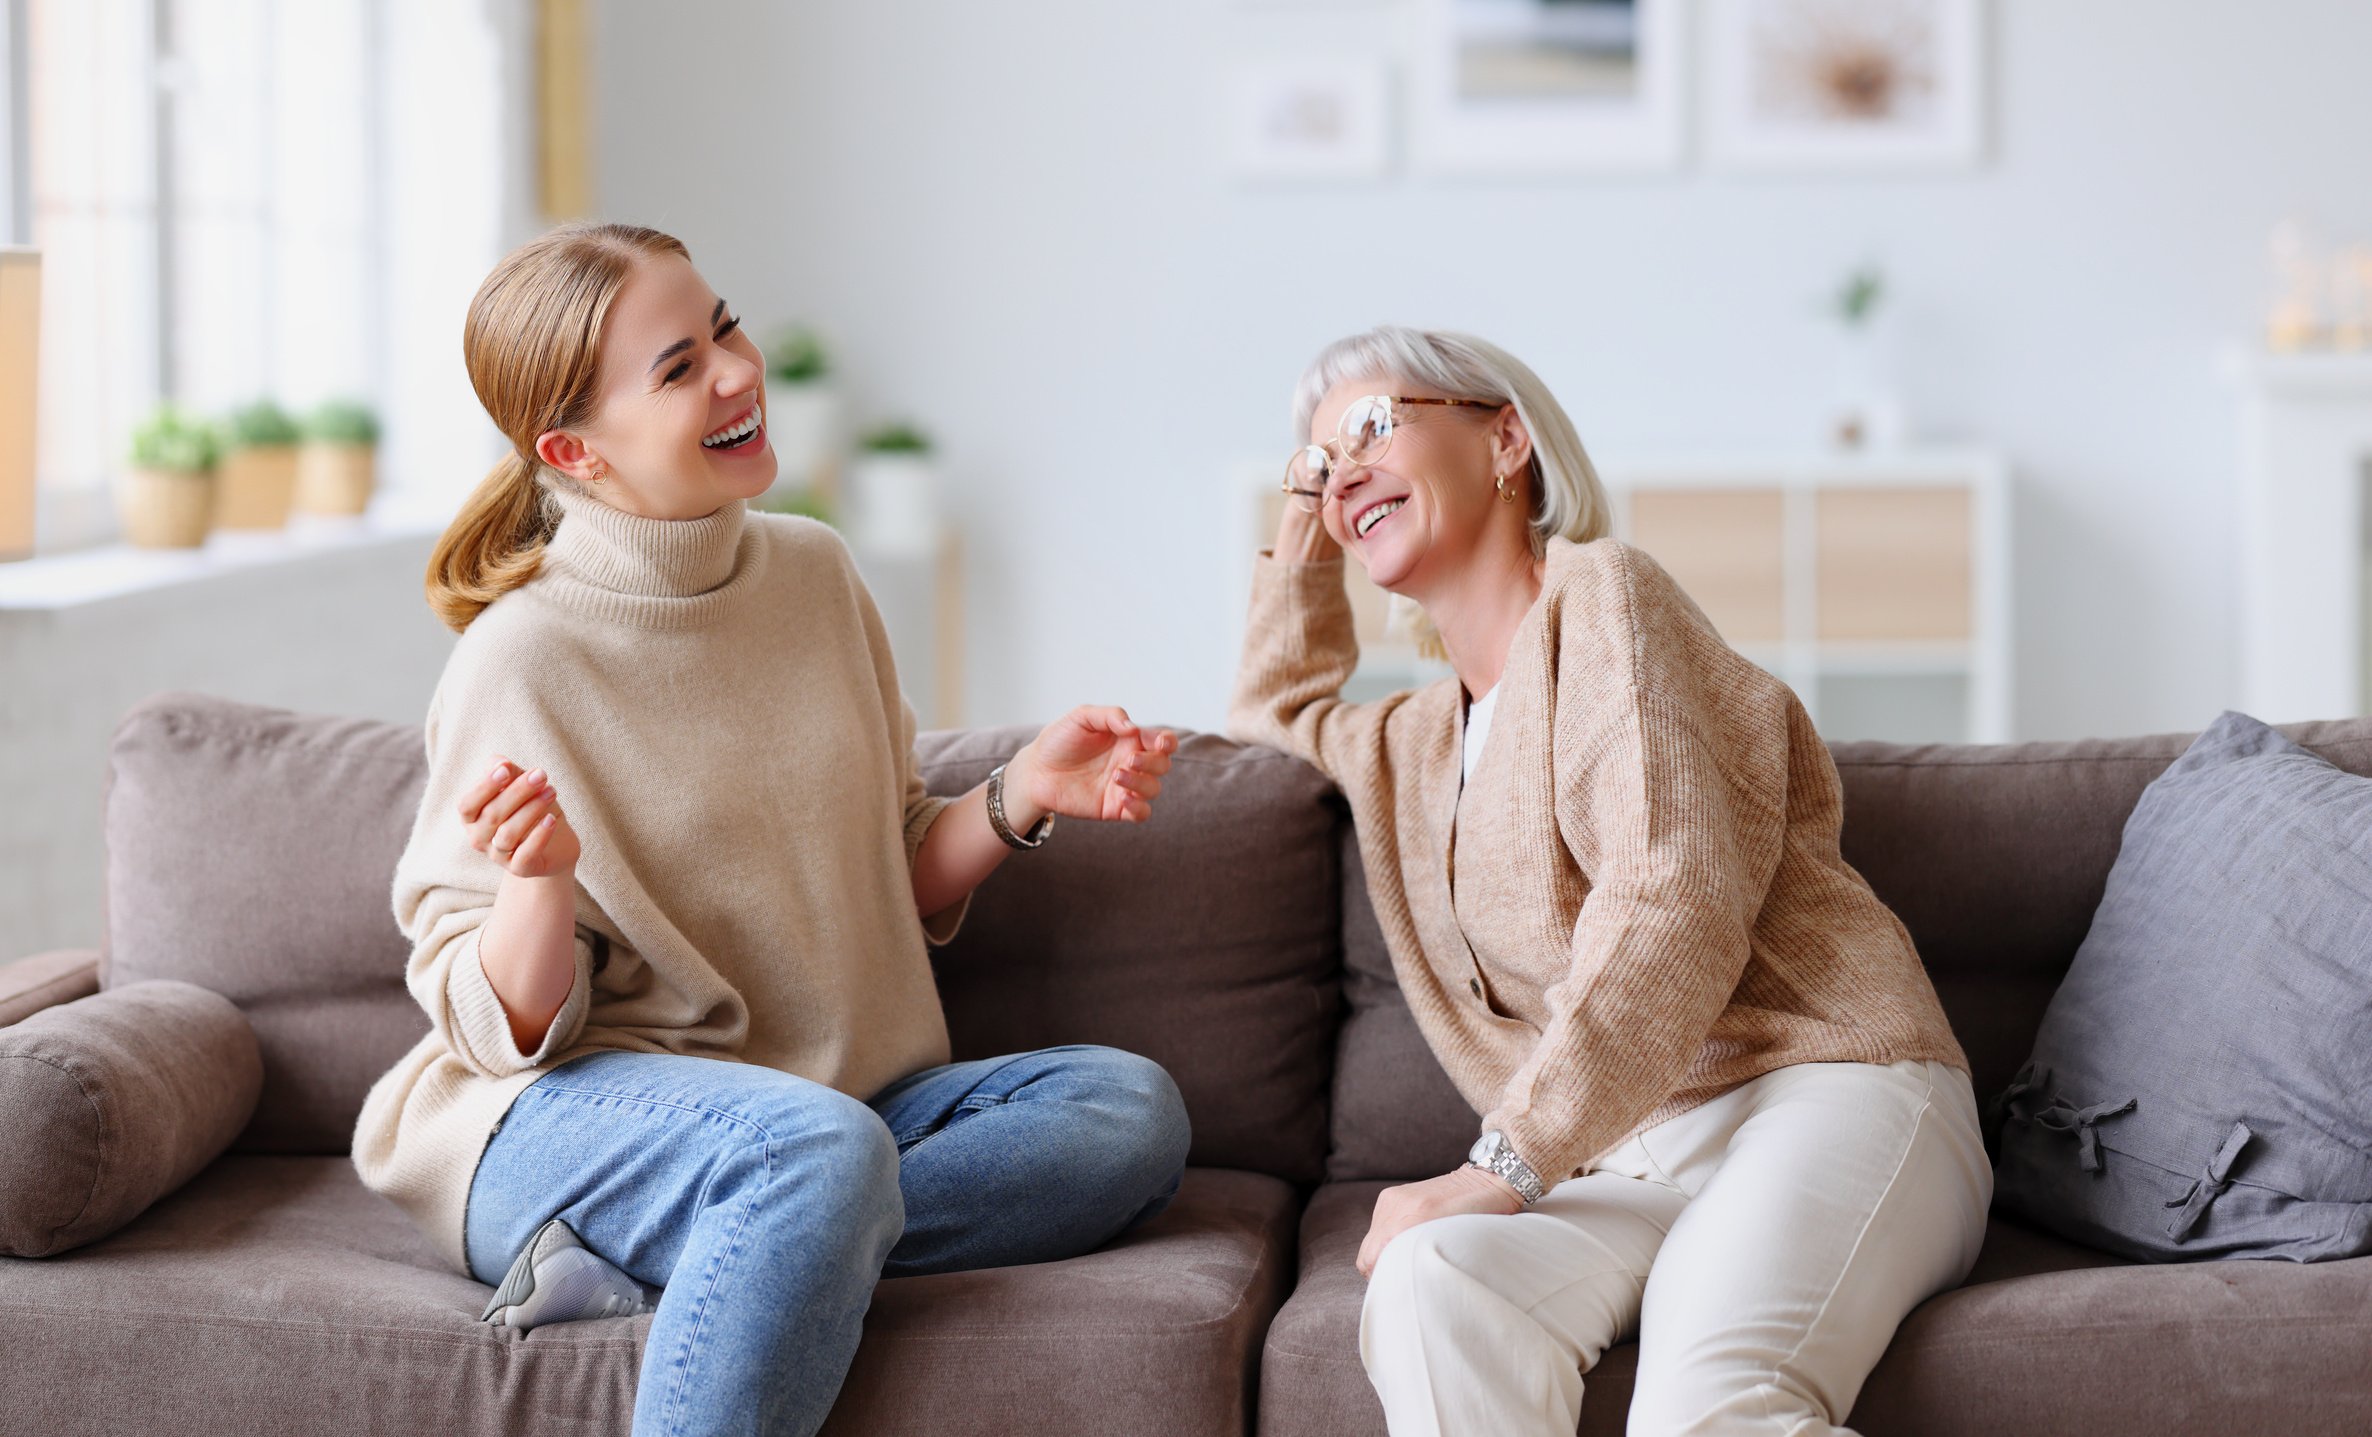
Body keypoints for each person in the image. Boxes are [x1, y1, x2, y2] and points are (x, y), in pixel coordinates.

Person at [351, 221, 1191, 1437]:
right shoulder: (522, 657)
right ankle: (779, 1222)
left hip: (833, 1108)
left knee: (1126, 1114)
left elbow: (884, 864)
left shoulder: (816, 575)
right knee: (815, 1156)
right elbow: (502, 1031)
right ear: (574, 450)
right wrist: (536, 882)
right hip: (563, 1120)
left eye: (723, 329)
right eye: (679, 367)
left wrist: (1019, 798)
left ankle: (734, 1251)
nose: (738, 372)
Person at [1227, 324, 1991, 1436]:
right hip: (1628, 1157)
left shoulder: (1604, 600)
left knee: (1700, 1410)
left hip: (1820, 1088)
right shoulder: (1409, 744)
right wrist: (1303, 512)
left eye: (1374, 428)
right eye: (1319, 463)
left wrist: (1502, 1161)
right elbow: (1273, 716)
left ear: (1503, 442)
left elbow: (1669, 898)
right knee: (1434, 1285)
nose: (1343, 471)